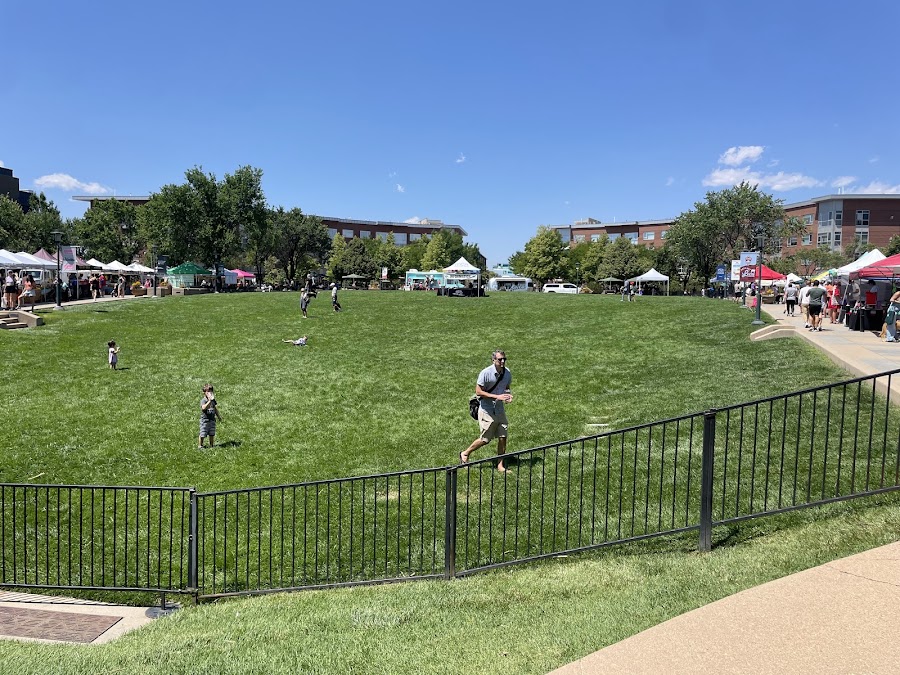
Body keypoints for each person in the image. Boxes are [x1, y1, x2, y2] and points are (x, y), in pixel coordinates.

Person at [460, 350, 513, 473]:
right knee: (485, 439)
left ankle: (500, 465)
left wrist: (508, 396)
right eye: (500, 359)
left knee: (502, 436)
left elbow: (506, 387)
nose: (503, 361)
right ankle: (465, 453)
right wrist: (497, 397)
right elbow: (478, 392)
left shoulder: (507, 373)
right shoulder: (485, 373)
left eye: (504, 359)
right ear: (493, 360)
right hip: (486, 409)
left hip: (499, 409)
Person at [198, 384, 222, 449]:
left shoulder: (213, 400)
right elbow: (203, 408)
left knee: (212, 433)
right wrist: (209, 401)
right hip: (205, 420)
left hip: (212, 420)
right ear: (204, 392)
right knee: (202, 433)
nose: (210, 393)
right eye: (208, 391)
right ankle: (200, 445)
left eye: (211, 391)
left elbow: (214, 408)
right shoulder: (203, 400)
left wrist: (218, 416)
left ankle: (211, 445)